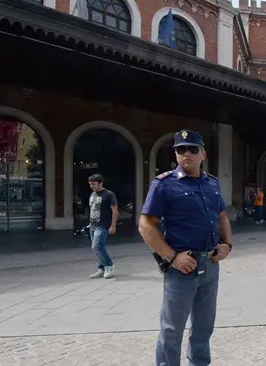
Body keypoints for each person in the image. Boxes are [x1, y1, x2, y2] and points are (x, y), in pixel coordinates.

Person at [138, 129, 233, 366]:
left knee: (203, 327)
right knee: (172, 330)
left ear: (203, 154)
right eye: (181, 149)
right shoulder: (164, 184)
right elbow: (146, 226)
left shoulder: (212, 184)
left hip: (210, 266)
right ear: (176, 154)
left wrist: (227, 245)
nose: (186, 154)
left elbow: (222, 216)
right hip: (182, 269)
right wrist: (171, 257)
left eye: (192, 149)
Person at [86, 174, 118, 279]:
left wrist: (113, 225)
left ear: (100, 183)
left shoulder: (109, 194)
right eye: (90, 184)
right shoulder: (92, 194)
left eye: (94, 184)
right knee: (95, 248)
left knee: (97, 245)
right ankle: (102, 268)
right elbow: (93, 209)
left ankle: (109, 265)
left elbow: (114, 210)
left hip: (103, 224)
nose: (91, 186)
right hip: (93, 224)